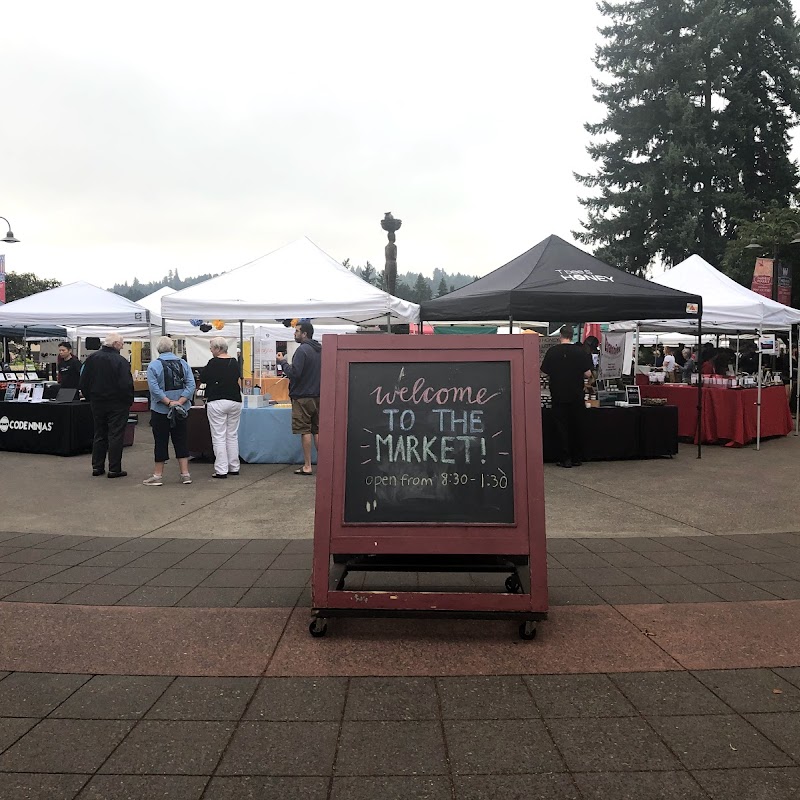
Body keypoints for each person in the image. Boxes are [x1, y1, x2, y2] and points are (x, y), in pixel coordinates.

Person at [79, 332, 134, 478]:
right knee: (115, 435)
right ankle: (114, 468)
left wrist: (90, 396)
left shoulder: (91, 359)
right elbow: (126, 384)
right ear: (116, 344)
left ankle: (97, 466)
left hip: (97, 401)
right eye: (122, 343)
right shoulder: (121, 361)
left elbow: (83, 380)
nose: (122, 346)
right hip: (117, 403)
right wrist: (128, 400)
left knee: (99, 433)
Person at [143, 337, 195, 486]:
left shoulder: (153, 365)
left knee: (160, 441)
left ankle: (158, 475)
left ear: (158, 349)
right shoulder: (183, 363)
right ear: (172, 348)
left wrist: (168, 402)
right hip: (181, 409)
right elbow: (191, 385)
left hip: (161, 410)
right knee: (181, 439)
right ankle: (185, 474)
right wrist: (180, 401)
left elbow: (154, 389)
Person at [541, 324, 593, 468]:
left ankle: (565, 458)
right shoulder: (580, 352)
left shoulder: (552, 352)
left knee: (561, 427)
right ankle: (577, 457)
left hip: (558, 394)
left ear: (560, 336)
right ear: (572, 335)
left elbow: (544, 372)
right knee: (576, 425)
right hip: (576, 394)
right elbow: (588, 374)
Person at [276, 320, 322, 476]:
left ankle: (308, 465)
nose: (294, 333)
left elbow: (294, 373)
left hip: (302, 397)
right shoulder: (320, 350)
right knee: (317, 430)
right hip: (318, 395)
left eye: (296, 331)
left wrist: (283, 362)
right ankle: (323, 464)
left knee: (305, 431)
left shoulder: (302, 351)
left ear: (304, 334)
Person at [202, 336, 242, 479]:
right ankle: (234, 466)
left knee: (219, 436)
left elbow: (203, 378)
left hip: (217, 400)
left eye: (212, 348)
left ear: (218, 349)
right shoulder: (234, 362)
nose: (211, 350)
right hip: (235, 400)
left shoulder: (213, 363)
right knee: (232, 435)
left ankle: (221, 469)